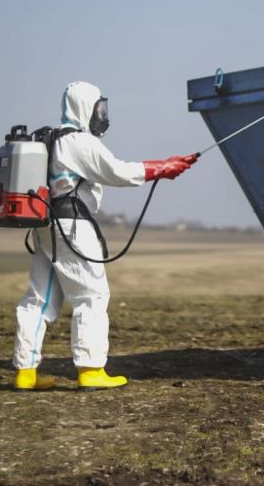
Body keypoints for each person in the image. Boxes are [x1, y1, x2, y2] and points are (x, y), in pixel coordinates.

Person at [12, 81, 195, 391]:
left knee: (38, 301)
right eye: (99, 108)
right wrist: (161, 168)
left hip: (46, 227)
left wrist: (161, 167)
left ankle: (25, 373)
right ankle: (91, 369)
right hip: (72, 228)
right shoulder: (79, 142)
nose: (102, 115)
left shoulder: (52, 139)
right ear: (85, 107)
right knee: (92, 296)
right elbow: (117, 172)